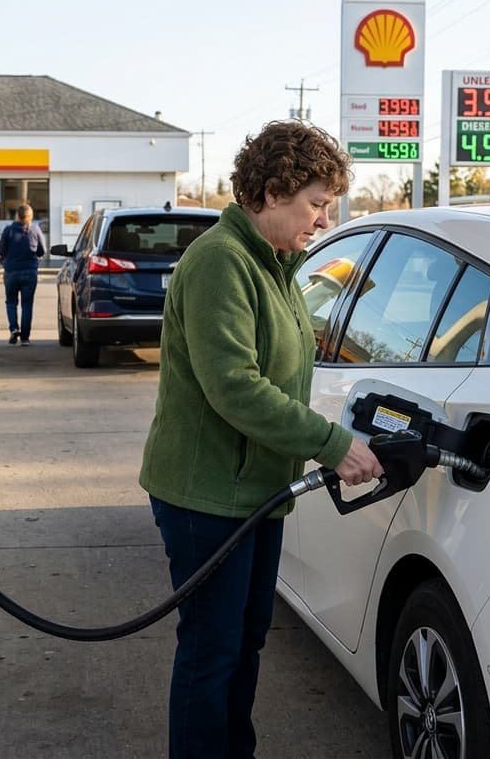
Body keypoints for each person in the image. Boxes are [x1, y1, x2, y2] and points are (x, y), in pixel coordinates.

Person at [139, 121, 384, 759]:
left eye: (327, 206)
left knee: (244, 645)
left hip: (257, 492)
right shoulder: (221, 261)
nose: (322, 219)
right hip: (207, 497)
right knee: (211, 655)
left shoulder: (274, 265)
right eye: (315, 204)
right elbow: (236, 387)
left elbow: (284, 350)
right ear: (273, 190)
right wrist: (332, 443)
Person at [0, 204, 46, 345]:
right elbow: (42, 251)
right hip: (30, 271)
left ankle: (14, 329)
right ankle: (25, 338)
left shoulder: (8, 230)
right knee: (27, 304)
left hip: (11, 271)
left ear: (17, 216)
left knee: (11, 302)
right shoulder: (35, 229)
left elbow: (1, 251)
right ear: (30, 217)